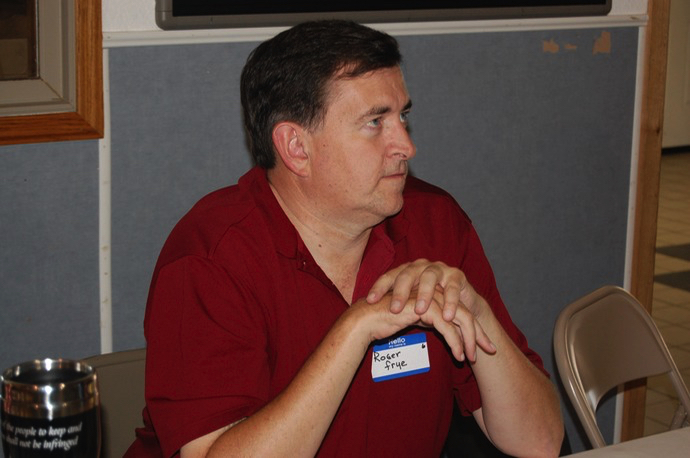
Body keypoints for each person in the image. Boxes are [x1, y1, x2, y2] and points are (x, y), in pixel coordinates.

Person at [126, 20, 564, 458]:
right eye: (375, 122)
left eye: (403, 117)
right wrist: (355, 330)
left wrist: (476, 311)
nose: (406, 146)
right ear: (296, 148)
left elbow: (541, 443)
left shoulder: (435, 225)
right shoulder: (211, 259)